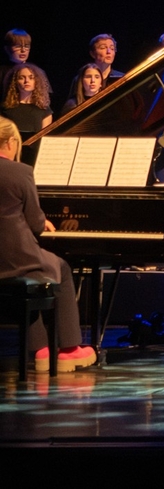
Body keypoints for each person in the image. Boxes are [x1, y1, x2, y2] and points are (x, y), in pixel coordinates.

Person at [0, 117, 96, 372]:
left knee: (34, 274)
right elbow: (34, 222)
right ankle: (68, 348)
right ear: (9, 141)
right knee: (59, 268)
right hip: (14, 256)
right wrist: (45, 222)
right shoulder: (20, 172)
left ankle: (41, 348)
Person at [1, 63, 53, 133]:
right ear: (14, 82)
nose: (26, 81)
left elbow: (45, 136)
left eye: (31, 78)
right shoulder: (5, 107)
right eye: (21, 78)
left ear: (37, 81)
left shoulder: (44, 109)